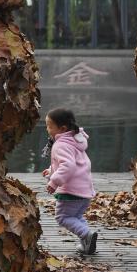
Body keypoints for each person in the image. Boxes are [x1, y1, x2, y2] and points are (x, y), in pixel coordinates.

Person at [42, 107, 99, 255]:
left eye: (49, 126)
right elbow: (67, 162)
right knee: (76, 217)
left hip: (71, 191)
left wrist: (54, 181)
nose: (47, 129)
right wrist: (51, 170)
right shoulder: (74, 140)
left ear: (62, 128)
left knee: (63, 217)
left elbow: (68, 165)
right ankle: (87, 242)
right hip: (84, 189)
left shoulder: (61, 144)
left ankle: (86, 234)